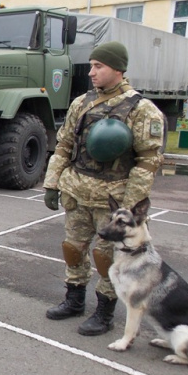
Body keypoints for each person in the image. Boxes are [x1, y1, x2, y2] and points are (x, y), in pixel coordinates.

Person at [42, 41, 166, 336]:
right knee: (73, 249)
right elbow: (64, 146)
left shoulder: (142, 110)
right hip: (76, 193)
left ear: (118, 70)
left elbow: (148, 161)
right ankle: (73, 300)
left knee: (108, 257)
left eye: (99, 67)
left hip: (112, 201)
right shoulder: (81, 104)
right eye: (92, 66)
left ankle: (104, 312)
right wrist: (52, 183)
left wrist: (129, 208)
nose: (91, 73)